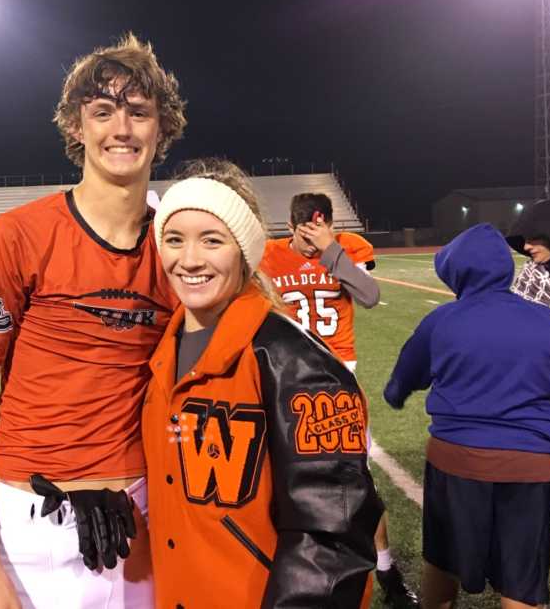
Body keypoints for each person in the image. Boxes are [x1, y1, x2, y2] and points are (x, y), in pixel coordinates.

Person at [0, 33, 186, 609]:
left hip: (139, 516)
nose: (121, 129)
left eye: (139, 112)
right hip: (26, 523)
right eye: (102, 112)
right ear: (77, 128)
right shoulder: (19, 234)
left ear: (163, 128)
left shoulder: (178, 245)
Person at [143, 160, 382, 608]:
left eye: (211, 240)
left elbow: (333, 541)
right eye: (174, 239)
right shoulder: (163, 350)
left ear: (245, 250)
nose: (189, 259)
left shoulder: (297, 363)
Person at [384, 224, 550, 609]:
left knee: (442, 562)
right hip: (530, 466)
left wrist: (401, 393)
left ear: (457, 273)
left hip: (456, 462)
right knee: (522, 582)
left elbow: (399, 385)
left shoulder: (442, 321)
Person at [259, 192, 417, 608]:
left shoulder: (346, 248)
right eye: (305, 236)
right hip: (284, 375)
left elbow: (369, 295)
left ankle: (385, 568)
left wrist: (329, 250)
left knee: (356, 482)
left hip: (337, 379)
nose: (311, 244)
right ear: (290, 227)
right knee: (278, 482)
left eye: (320, 233)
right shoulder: (269, 255)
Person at [506, 198, 550, 552]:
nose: (526, 247)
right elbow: (516, 319)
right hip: (546, 399)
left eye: (534, 238)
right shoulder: (530, 272)